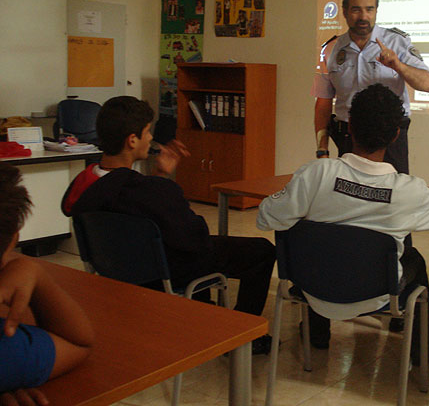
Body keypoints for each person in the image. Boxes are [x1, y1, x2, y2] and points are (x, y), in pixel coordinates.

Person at [257, 84, 429, 364]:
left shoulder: (315, 175)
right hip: (375, 295)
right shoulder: (410, 191)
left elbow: (266, 216)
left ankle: (316, 334)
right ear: (397, 134)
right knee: (415, 260)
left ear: (348, 127)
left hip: (312, 289)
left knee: (318, 238)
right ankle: (422, 352)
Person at [61, 96, 276, 355]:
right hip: (161, 273)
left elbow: (131, 203)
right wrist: (166, 183)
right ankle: (241, 339)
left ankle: (203, 320)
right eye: (147, 132)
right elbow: (195, 238)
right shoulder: (152, 191)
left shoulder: (85, 185)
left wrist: (160, 177)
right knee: (261, 250)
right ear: (132, 140)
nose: (151, 138)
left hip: (116, 269)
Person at [313, 0, 429, 174]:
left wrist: (398, 65)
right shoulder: (330, 49)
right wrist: (322, 149)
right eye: (356, 10)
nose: (363, 17)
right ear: (344, 12)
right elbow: (323, 102)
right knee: (349, 194)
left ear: (376, 10)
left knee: (394, 197)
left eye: (369, 9)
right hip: (349, 136)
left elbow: (427, 84)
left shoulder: (396, 42)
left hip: (389, 137)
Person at [0, 163, 94, 405]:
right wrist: (33, 271)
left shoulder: (87, 182)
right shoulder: (11, 351)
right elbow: (78, 341)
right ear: (15, 239)